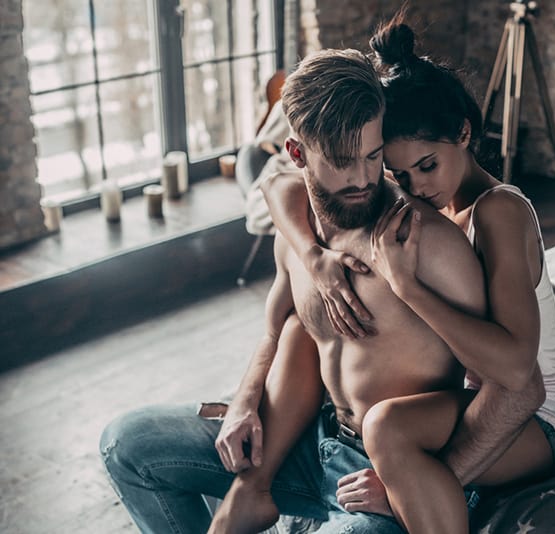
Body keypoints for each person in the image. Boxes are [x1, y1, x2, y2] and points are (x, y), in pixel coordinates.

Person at [100, 47, 487, 534]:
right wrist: (244, 400)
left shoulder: (425, 243)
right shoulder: (298, 233)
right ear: (298, 153)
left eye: (372, 155)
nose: (363, 178)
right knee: (127, 444)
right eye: (342, 162)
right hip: (305, 442)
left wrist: (442, 475)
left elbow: (491, 384)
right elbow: (278, 327)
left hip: (384, 475)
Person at [260, 18, 555, 534]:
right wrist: (311, 254)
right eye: (398, 172)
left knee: (388, 428)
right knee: (382, 422)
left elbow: (519, 370)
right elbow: (283, 187)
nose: (415, 185)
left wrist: (406, 286)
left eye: (427, 165)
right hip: (477, 400)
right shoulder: (433, 213)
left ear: (463, 132)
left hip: (541, 418)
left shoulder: (498, 210)